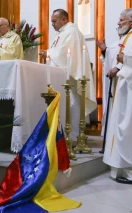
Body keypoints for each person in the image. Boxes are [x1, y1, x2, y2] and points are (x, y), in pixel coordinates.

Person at [40, 9, 97, 140]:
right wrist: (49, 54)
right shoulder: (61, 33)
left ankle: (74, 137)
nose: (52, 24)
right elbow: (58, 52)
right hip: (60, 76)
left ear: (64, 19)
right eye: (51, 21)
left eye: (54, 21)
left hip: (70, 78)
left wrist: (49, 53)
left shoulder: (72, 31)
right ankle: (62, 136)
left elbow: (66, 52)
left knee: (72, 105)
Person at [103, 8, 132, 184]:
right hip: (123, 87)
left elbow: (126, 57)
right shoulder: (126, 38)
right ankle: (121, 167)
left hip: (129, 88)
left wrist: (123, 60)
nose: (118, 23)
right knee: (121, 124)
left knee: (126, 125)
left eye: (122, 20)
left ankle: (128, 168)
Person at [97, 33, 123, 136]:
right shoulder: (116, 44)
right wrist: (104, 51)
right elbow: (109, 61)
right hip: (114, 82)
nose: (119, 23)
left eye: (121, 21)